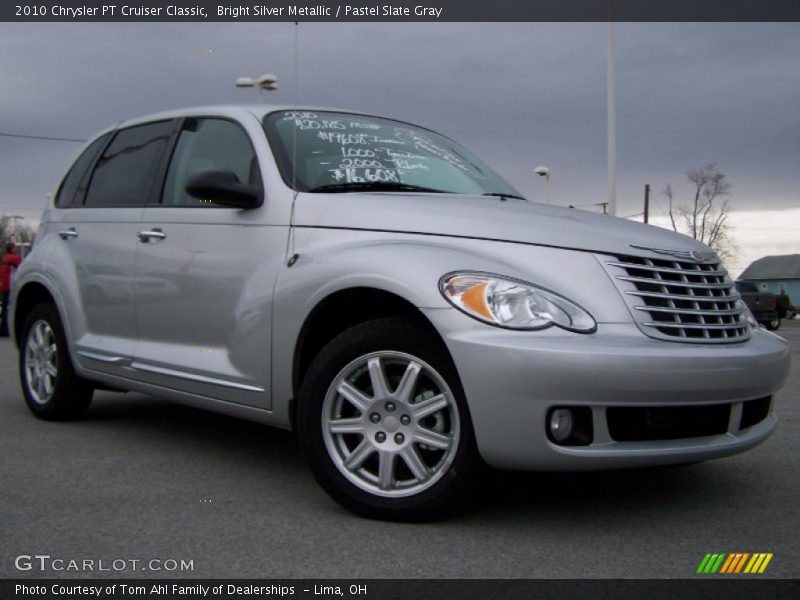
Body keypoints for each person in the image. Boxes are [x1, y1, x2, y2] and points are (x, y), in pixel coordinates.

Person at [0, 242, 23, 337]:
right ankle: (7, 329)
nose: (16, 249)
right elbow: (23, 267)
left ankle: (3, 328)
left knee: (4, 306)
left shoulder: (5, 257)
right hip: (10, 285)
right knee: (9, 307)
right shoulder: (14, 258)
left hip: (3, 284)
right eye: (15, 247)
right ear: (12, 249)